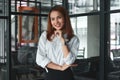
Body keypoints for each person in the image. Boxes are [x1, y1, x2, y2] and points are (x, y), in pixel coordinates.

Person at [36, 5, 79, 80]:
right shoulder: (45, 35)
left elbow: (69, 61)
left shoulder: (74, 39)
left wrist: (62, 41)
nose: (56, 22)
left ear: (65, 18)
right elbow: (39, 59)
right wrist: (60, 67)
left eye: (59, 17)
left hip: (66, 76)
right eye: (53, 19)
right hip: (50, 75)